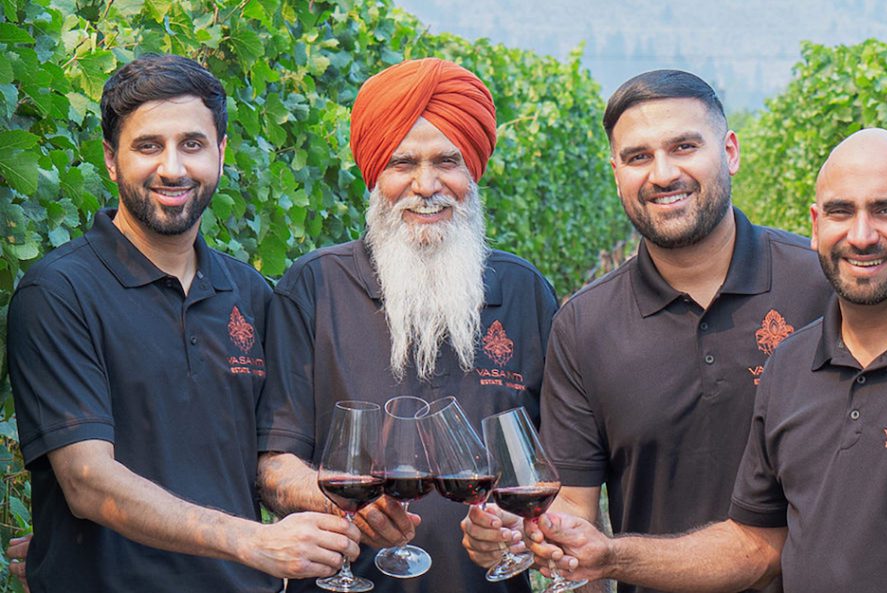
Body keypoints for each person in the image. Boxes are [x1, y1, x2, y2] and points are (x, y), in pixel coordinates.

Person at [523, 128, 887, 593]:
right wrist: (610, 557)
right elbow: (755, 544)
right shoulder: (790, 362)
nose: (862, 235)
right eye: (841, 211)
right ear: (815, 225)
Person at [461, 70, 832, 593]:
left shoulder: (823, 287)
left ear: (730, 151)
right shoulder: (584, 325)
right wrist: (522, 534)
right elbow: (575, 511)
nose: (662, 174)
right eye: (637, 157)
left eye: (684, 146)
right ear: (615, 173)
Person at [5, 54, 359, 592]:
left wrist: (361, 500)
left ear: (220, 153)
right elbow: (86, 480)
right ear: (110, 159)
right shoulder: (60, 293)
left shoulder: (252, 296)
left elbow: (270, 462)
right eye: (149, 146)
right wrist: (253, 541)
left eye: (192, 144)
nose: (173, 168)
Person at [256, 57, 558, 593]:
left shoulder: (524, 292)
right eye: (402, 163)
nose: (425, 185)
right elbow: (275, 467)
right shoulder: (314, 287)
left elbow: (558, 467)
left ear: (473, 172)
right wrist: (339, 496)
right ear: (375, 174)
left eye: (447, 161)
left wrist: (517, 530)